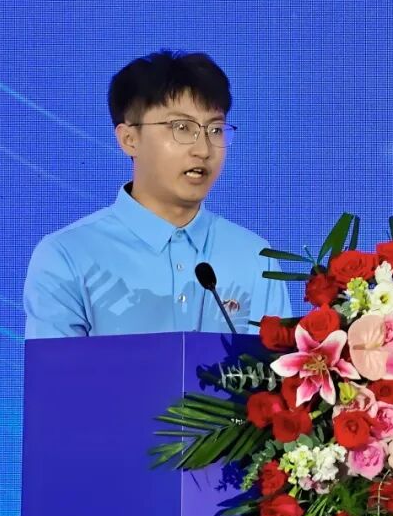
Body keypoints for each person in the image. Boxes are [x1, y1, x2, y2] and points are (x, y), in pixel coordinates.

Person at [23, 50, 292, 338]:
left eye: (215, 130)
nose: (203, 150)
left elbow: (282, 365)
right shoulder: (67, 256)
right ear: (129, 139)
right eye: (182, 128)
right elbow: (54, 368)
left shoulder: (256, 260)